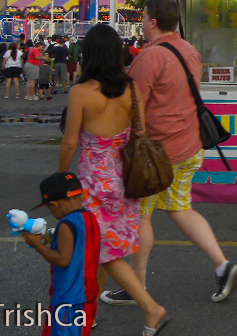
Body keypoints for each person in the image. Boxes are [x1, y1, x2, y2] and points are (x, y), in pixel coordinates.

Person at [101, 0, 237, 305]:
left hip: (155, 155)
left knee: (141, 214)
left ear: (152, 22)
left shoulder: (149, 58)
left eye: (143, 17)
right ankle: (222, 264)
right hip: (189, 145)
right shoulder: (189, 51)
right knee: (180, 207)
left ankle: (136, 286)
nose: (141, 22)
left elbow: (133, 106)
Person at [59, 23, 170, 333]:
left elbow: (70, 142)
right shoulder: (131, 88)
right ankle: (88, 312)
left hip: (93, 181)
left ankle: (151, 308)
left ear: (90, 55)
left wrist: (60, 174)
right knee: (106, 248)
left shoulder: (81, 93)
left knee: (104, 252)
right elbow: (141, 132)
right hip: (123, 178)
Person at [21, 171, 100, 336]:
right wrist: (51, 238)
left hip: (69, 299)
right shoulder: (90, 218)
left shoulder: (66, 224)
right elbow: (80, 246)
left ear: (55, 204)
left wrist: (37, 245)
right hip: (86, 294)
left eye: (49, 207)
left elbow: (63, 260)